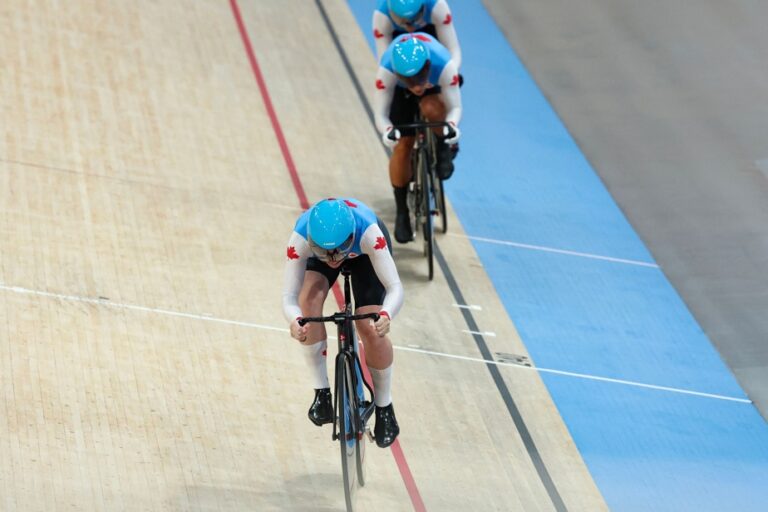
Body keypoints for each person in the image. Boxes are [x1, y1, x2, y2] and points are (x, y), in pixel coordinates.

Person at [282, 197, 403, 448]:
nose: (333, 257)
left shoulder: (370, 233)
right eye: (325, 250)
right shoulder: (301, 238)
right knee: (308, 303)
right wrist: (295, 321)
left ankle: (384, 406)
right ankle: (322, 393)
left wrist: (386, 315)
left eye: (338, 249)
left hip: (364, 256)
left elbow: (395, 287)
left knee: (370, 326)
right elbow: (289, 296)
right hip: (341, 246)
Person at [373, 32, 462, 243]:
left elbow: (455, 107)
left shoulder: (443, 63)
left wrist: (450, 127)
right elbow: (380, 114)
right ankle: (402, 210)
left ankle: (441, 149)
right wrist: (388, 131)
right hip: (400, 96)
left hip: (436, 89)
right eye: (408, 80)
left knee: (432, 108)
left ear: (428, 65)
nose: (416, 86)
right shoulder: (386, 70)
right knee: (403, 145)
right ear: (397, 73)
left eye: (420, 77)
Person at [372, 0, 462, 71]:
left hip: (428, 26)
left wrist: (452, 72)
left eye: (415, 19)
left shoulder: (437, 6)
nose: (410, 29)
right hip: (396, 32)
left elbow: (452, 49)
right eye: (401, 21)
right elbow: (384, 63)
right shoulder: (381, 16)